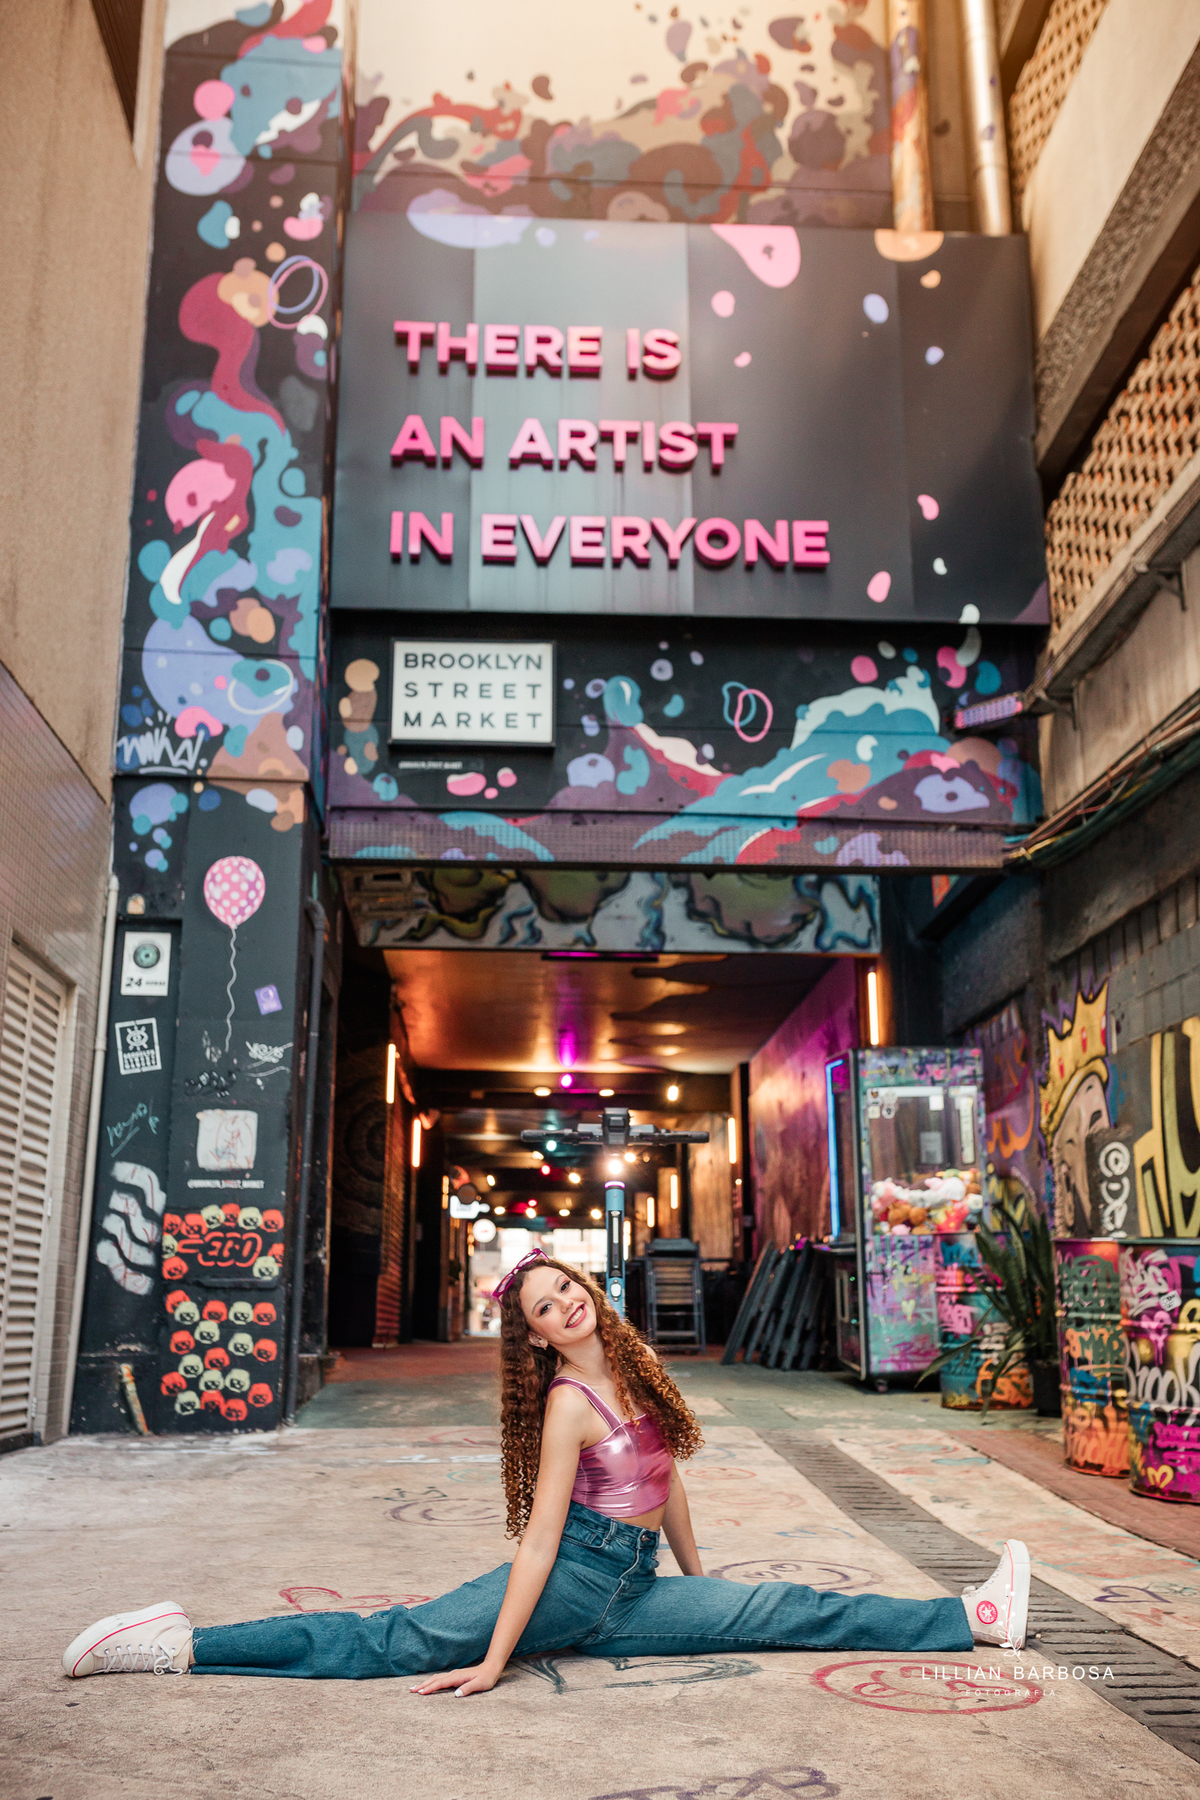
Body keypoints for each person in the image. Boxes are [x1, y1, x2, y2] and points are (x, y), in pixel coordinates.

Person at [62, 1248, 1030, 1685]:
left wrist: (705, 1588)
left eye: (565, 1288)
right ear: (532, 1341)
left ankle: (974, 1617)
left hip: (639, 1589)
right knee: (393, 1642)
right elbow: (537, 1547)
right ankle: (183, 1644)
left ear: (586, 1290)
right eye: (540, 1308)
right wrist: (494, 1660)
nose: (562, 1305)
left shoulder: (637, 1361)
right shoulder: (568, 1404)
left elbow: (668, 1482)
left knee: (786, 1612)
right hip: (572, 1582)